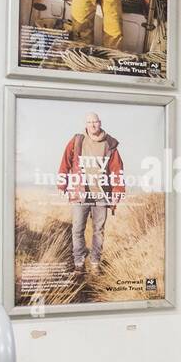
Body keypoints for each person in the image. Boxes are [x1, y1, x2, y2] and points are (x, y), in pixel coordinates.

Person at [57, 112, 125, 273]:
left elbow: (117, 169)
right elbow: (65, 162)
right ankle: (79, 263)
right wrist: (62, 185)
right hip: (80, 192)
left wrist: (118, 190)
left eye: (95, 121)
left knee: (98, 230)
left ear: (100, 123)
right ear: (85, 124)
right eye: (89, 122)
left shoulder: (109, 143)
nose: (92, 125)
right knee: (77, 229)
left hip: (101, 193)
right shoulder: (77, 141)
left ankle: (95, 263)